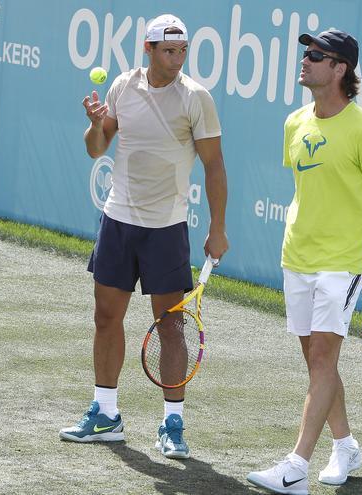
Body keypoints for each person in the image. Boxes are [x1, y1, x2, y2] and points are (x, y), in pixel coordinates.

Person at [59, 13, 229, 460]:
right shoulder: (122, 86)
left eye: (182, 52)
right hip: (117, 220)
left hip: (167, 228)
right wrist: (97, 124)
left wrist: (218, 226)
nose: (176, 60)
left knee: (170, 325)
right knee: (104, 317)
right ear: (148, 49)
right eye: (168, 51)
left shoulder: (196, 98)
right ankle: (105, 413)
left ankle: (173, 422)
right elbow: (97, 148)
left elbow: (214, 165)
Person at [246, 29, 362, 493]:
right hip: (297, 255)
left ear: (340, 69)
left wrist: (350, 245)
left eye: (316, 55)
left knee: (324, 358)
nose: (305, 60)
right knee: (317, 363)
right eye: (305, 53)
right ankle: (346, 445)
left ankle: (295, 468)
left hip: (341, 262)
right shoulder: (295, 123)